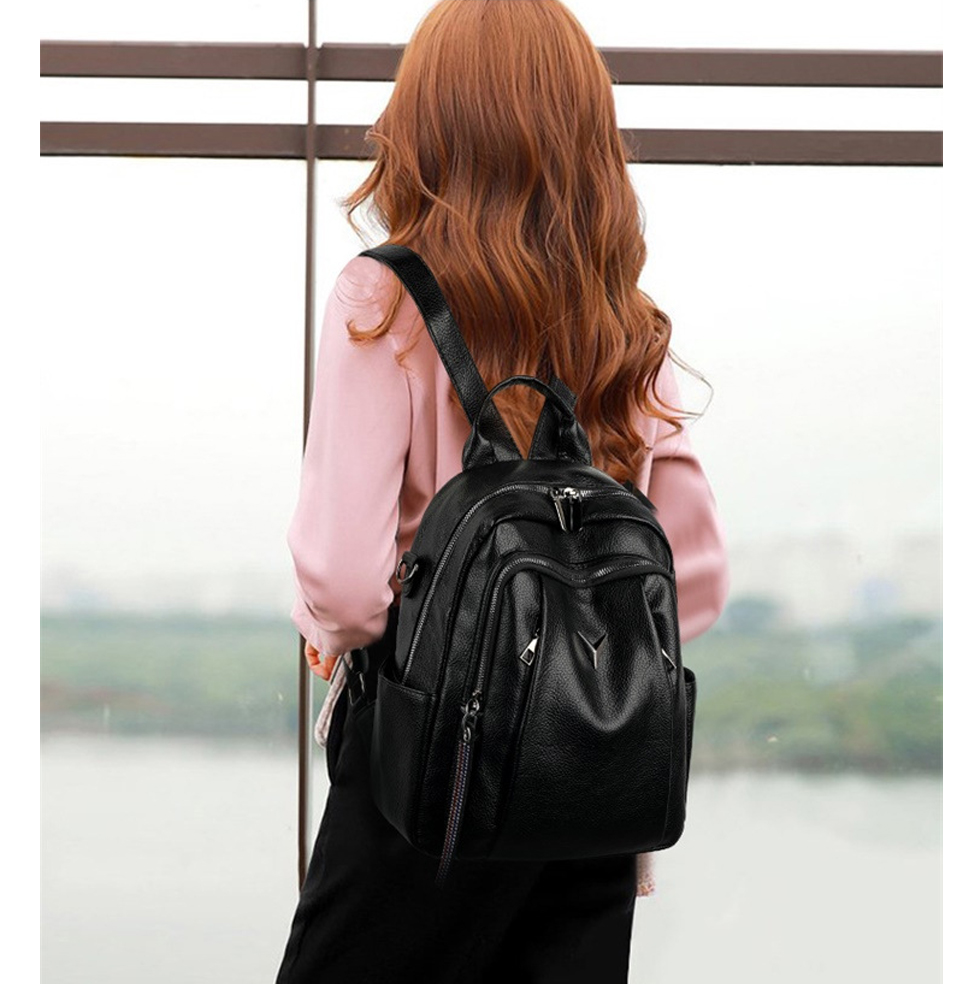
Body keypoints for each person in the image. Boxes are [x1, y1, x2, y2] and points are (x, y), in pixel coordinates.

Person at [274, 2, 729, 981]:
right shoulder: (627, 321)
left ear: (427, 120)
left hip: (426, 767)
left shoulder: (382, 297)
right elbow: (693, 581)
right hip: (591, 779)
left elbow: (345, 586)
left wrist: (332, 628)